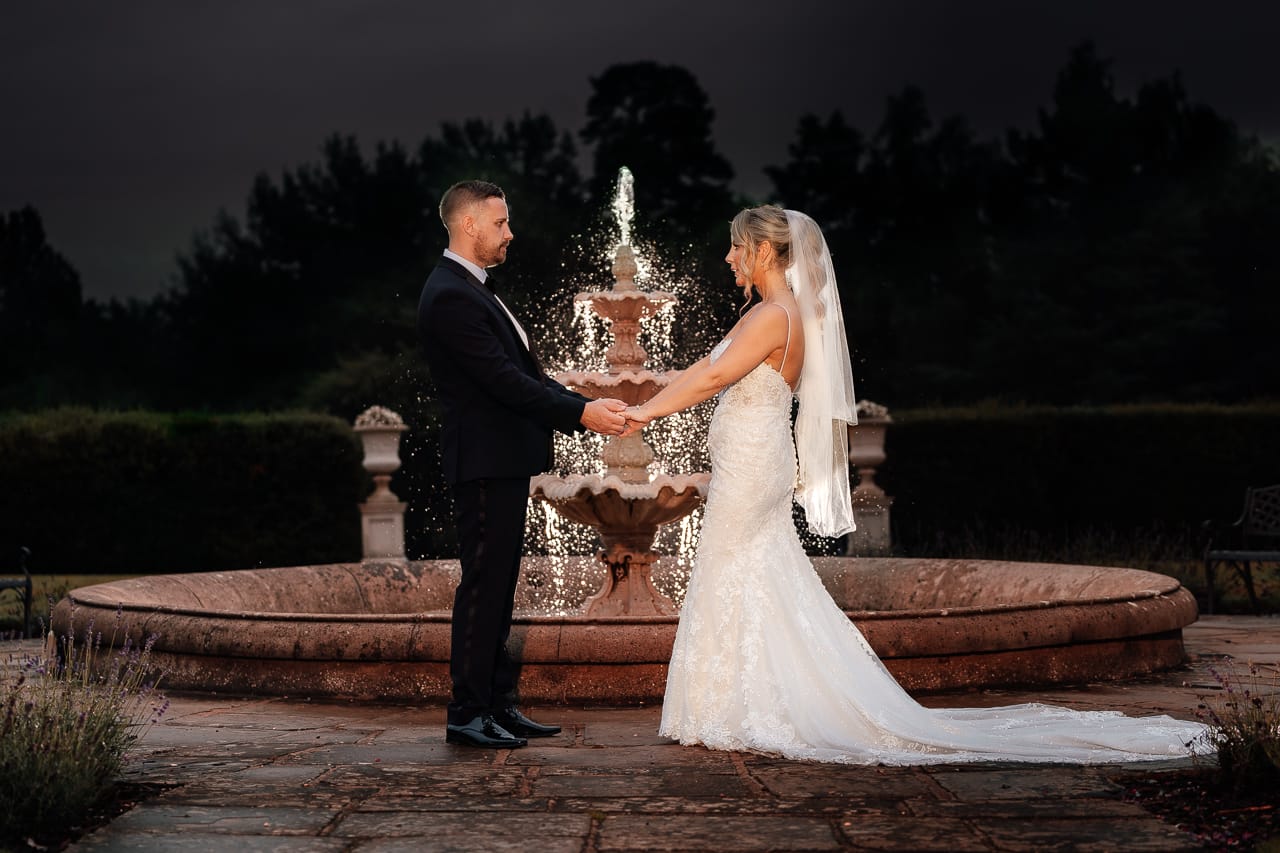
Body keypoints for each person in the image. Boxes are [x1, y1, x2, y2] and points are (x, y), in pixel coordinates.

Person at [621, 205, 1211, 764]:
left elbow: (715, 374)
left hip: (753, 465)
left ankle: (744, 707)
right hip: (754, 460)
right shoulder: (781, 313)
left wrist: (640, 413)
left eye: (735, 246)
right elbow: (705, 374)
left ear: (761, 251)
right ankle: (738, 703)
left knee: (736, 567)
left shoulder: (774, 315)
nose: (728, 257)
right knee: (752, 571)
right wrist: (649, 403)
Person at [419, 180, 628, 749]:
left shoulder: (473, 289)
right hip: (484, 464)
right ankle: (467, 712)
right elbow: (504, 385)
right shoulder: (450, 295)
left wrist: (582, 399)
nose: (510, 233)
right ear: (468, 226)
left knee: (500, 588)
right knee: (485, 589)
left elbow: (526, 376)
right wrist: (582, 415)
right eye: (501, 223)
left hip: (501, 463)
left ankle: (498, 705)